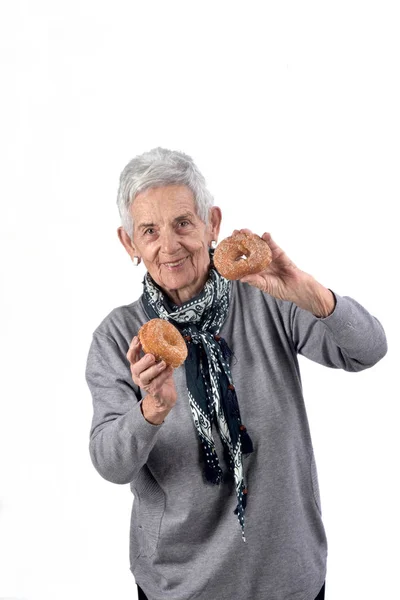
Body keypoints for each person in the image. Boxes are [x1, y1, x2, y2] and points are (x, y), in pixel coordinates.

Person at [85, 147, 387, 600]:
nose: (169, 245)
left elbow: (368, 350)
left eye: (183, 223)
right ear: (130, 244)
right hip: (179, 586)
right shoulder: (119, 337)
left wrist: (310, 292)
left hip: (289, 578)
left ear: (213, 223)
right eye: (149, 230)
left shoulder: (268, 295)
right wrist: (151, 410)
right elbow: (110, 462)